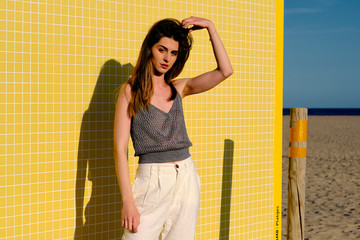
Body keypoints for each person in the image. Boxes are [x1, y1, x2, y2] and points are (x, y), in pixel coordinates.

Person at [114, 16, 233, 239]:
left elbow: (225, 71)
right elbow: (120, 150)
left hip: (186, 177)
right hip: (152, 180)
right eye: (162, 49)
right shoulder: (130, 92)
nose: (167, 58)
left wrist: (210, 27)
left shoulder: (179, 88)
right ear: (150, 48)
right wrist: (128, 202)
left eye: (173, 53)